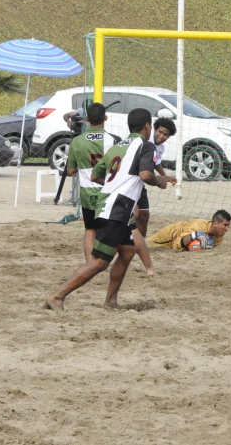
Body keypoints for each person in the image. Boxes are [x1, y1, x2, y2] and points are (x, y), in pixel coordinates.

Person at [45, 108, 169, 311]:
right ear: (147, 126)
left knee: (128, 251)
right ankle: (57, 296)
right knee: (100, 262)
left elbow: (95, 176)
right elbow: (146, 175)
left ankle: (110, 301)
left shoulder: (118, 146)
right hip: (117, 207)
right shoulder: (146, 146)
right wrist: (160, 181)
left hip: (111, 204)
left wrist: (117, 182)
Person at [64, 103, 120, 261]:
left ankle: (90, 263)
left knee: (90, 229)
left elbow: (70, 171)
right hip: (108, 190)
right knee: (109, 228)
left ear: (87, 119)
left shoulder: (77, 141)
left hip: (88, 192)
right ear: (106, 118)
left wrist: (83, 168)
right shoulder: (113, 140)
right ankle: (106, 259)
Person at [132, 117, 177, 276]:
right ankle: (123, 245)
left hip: (139, 184)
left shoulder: (159, 147)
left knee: (144, 215)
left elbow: (156, 162)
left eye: (166, 135)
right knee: (133, 214)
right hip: (131, 182)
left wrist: (165, 176)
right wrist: (159, 182)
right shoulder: (143, 142)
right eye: (160, 132)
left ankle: (140, 245)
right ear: (153, 129)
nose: (162, 136)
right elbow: (145, 173)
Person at [147, 210, 231, 252]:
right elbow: (176, 245)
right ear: (215, 224)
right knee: (145, 245)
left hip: (179, 235)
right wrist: (194, 235)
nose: (227, 229)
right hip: (168, 235)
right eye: (225, 225)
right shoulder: (199, 226)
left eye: (228, 226)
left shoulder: (219, 238)